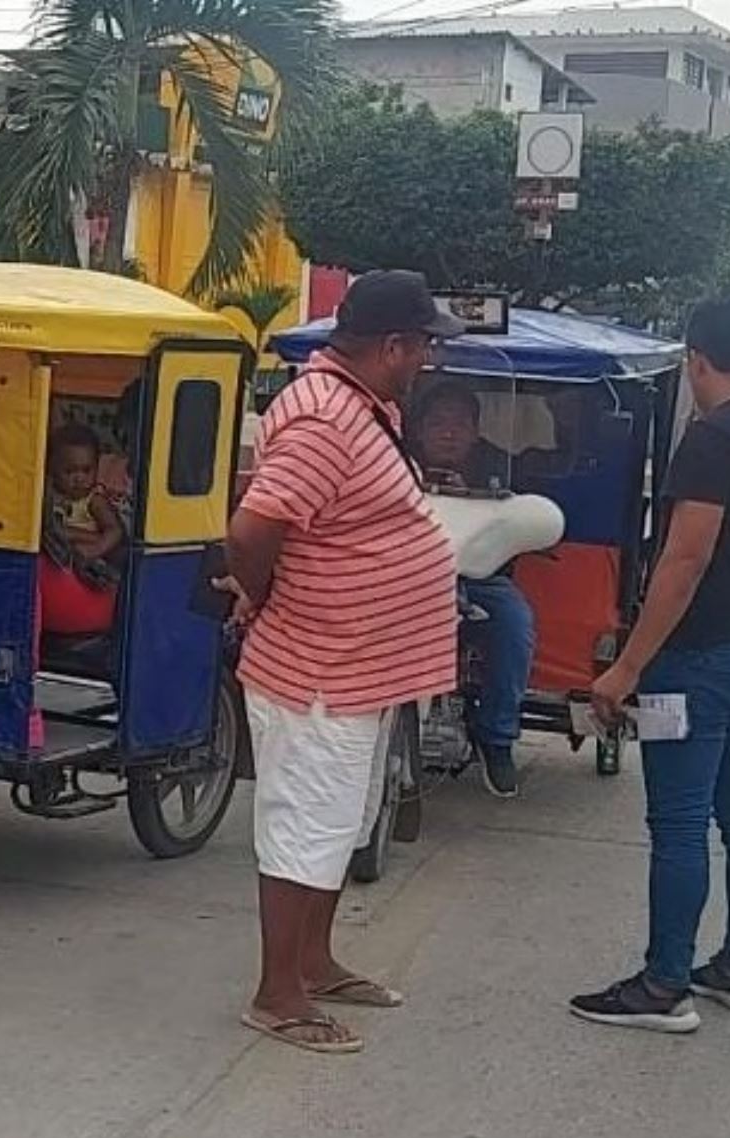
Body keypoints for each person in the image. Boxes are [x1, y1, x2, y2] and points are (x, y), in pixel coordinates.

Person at [572, 296, 730, 1033]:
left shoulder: (714, 438)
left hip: (699, 659)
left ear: (697, 359)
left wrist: (626, 667)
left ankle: (664, 984)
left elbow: (685, 559)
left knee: (679, 824)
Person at [224, 271, 464, 1054]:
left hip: (358, 668)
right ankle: (277, 993)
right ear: (392, 346)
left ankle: (316, 962)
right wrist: (260, 598)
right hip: (319, 668)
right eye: (425, 343)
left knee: (339, 824)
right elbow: (253, 529)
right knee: (305, 826)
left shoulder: (359, 404)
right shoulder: (329, 416)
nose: (430, 357)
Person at [412, 383, 536, 798]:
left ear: (475, 430)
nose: (448, 432)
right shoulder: (396, 463)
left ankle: (498, 737)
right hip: (409, 573)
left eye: (459, 424)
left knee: (515, 621)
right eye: (437, 423)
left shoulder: (499, 467)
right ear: (420, 429)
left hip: (480, 577)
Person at [39, 423, 122, 636]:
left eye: (87, 470)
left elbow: (114, 531)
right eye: (69, 471)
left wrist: (94, 550)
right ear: (52, 469)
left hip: (85, 566)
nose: (79, 478)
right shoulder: (48, 497)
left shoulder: (93, 500)